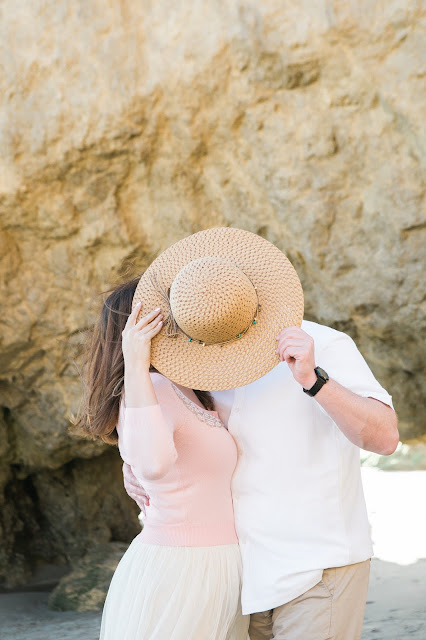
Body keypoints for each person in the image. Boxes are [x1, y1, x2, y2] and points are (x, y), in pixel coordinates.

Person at [123, 227, 399, 640]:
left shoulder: (323, 345)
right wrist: (132, 468)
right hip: (239, 581)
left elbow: (385, 438)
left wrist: (314, 381)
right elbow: (177, 444)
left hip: (316, 569)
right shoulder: (191, 368)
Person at [75, 276, 252, 639]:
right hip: (184, 566)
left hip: (215, 560)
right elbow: (153, 465)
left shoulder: (189, 386)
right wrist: (135, 364)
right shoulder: (150, 387)